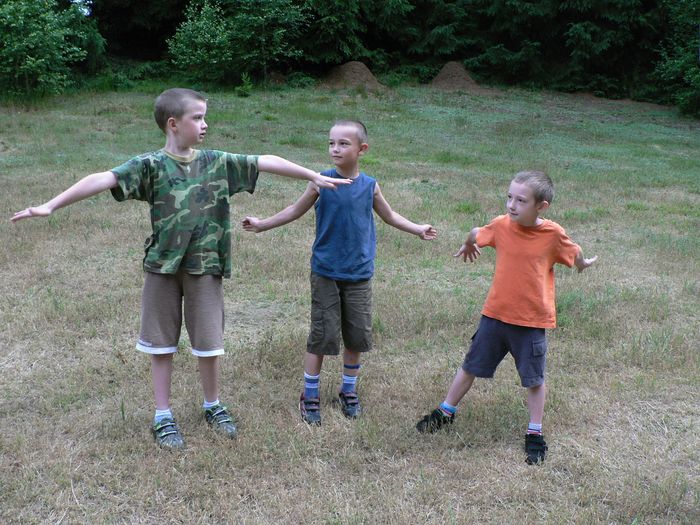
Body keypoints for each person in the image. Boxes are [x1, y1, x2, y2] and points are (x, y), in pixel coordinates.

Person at [11, 88, 350, 450]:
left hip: (206, 266)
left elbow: (265, 160)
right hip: (162, 268)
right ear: (173, 124)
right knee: (161, 344)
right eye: (197, 118)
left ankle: (213, 405)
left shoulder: (217, 162)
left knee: (209, 343)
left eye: (205, 117)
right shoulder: (150, 165)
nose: (205, 125)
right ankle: (163, 415)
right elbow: (102, 178)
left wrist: (311, 175)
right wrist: (51, 205)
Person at [242, 119, 437, 425]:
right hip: (326, 272)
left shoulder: (369, 186)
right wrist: (262, 224)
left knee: (357, 336)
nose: (335, 149)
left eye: (343, 143)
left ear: (362, 149)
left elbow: (390, 216)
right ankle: (310, 395)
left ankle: (348, 391)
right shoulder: (320, 181)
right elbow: (294, 210)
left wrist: (417, 228)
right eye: (331, 143)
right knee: (322, 335)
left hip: (359, 273)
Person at [416, 170, 597, 465]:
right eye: (509, 197)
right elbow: (477, 231)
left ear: (541, 206)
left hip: (531, 323)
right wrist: (469, 243)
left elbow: (573, 251)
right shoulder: (501, 225)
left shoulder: (552, 234)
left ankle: (535, 431)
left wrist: (582, 264)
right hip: (495, 316)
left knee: (534, 379)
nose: (512, 205)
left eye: (521, 200)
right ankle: (446, 411)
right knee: (471, 365)